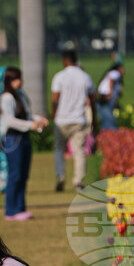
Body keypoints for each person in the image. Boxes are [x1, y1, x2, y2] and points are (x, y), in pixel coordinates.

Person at [0, 67, 47, 221]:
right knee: (15, 175)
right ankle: (11, 211)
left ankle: (20, 208)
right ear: (10, 80)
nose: (20, 81)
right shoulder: (7, 97)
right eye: (17, 78)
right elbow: (10, 120)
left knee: (23, 175)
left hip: (23, 138)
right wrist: (31, 125)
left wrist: (38, 120)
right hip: (13, 139)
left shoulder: (18, 95)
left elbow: (26, 115)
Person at [51, 50, 95, 192]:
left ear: (65, 60)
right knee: (79, 151)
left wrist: (54, 116)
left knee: (59, 148)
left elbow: (54, 100)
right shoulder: (85, 77)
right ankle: (78, 181)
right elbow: (92, 101)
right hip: (79, 119)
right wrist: (94, 120)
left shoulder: (59, 77)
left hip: (62, 119)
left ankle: (60, 174)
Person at [95, 62, 124, 131]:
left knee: (105, 116)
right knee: (108, 117)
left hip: (103, 97)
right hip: (106, 97)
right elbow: (111, 80)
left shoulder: (111, 73)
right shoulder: (115, 73)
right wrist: (110, 93)